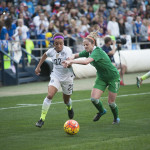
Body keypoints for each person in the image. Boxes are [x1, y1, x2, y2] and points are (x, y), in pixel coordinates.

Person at [62, 32, 120, 124]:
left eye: (87, 44)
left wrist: (71, 62)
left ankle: (116, 118)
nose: (85, 46)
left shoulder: (97, 51)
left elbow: (86, 62)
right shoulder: (88, 51)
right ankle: (102, 111)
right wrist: (71, 57)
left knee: (111, 102)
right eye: (84, 45)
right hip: (102, 77)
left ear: (93, 44)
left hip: (113, 77)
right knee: (94, 99)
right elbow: (76, 55)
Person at [35, 32, 75, 128]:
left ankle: (69, 108)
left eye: (61, 43)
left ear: (63, 42)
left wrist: (68, 63)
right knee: (50, 95)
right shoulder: (51, 51)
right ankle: (42, 119)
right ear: (53, 43)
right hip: (55, 76)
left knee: (66, 100)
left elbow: (70, 61)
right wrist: (38, 67)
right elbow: (45, 55)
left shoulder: (67, 50)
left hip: (67, 78)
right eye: (56, 44)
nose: (59, 45)